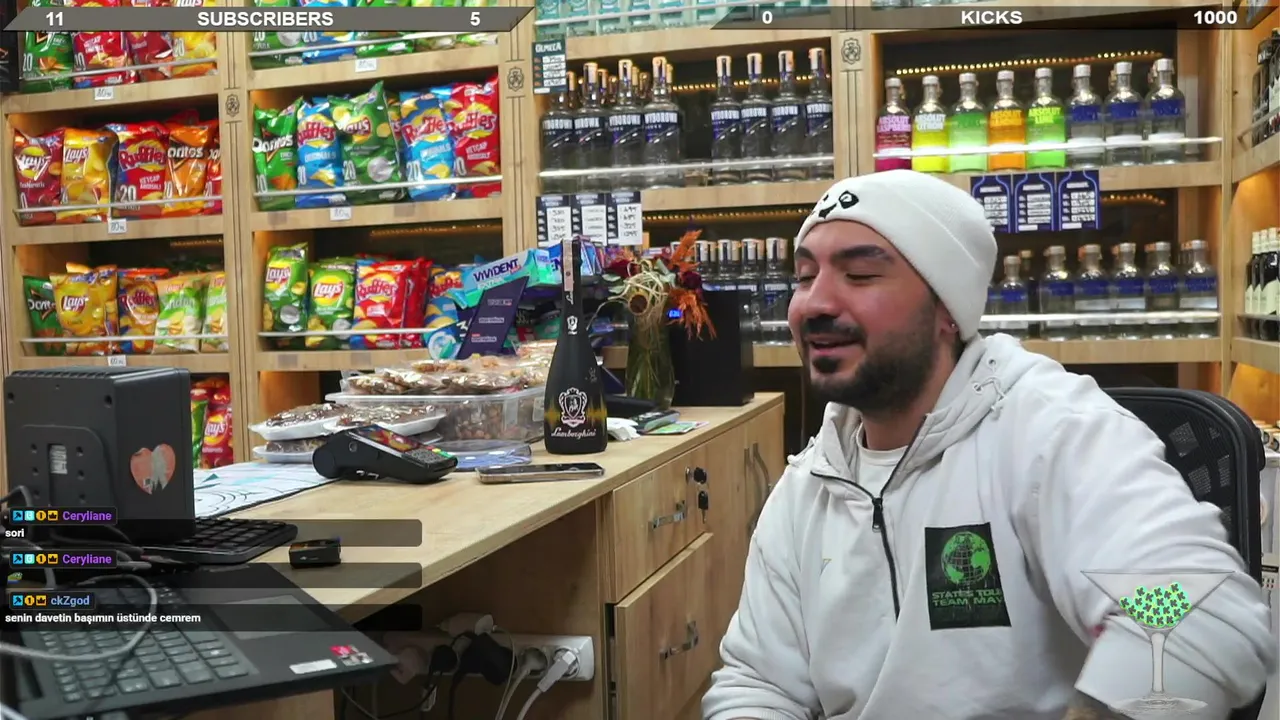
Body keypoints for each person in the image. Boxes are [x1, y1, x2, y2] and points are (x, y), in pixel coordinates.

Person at [702, 170, 1276, 720]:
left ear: (947, 309)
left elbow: (1192, 615)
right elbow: (760, 681)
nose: (815, 303)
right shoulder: (811, 483)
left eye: (860, 274)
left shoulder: (1050, 434)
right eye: (805, 277)